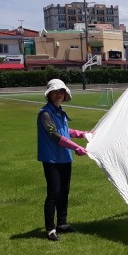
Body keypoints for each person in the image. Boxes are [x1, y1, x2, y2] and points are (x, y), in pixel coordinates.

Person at [37, 78, 91, 241]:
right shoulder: (45, 113)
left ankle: (62, 223)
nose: (58, 95)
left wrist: (82, 133)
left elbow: (66, 130)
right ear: (49, 94)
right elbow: (55, 135)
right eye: (55, 92)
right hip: (52, 159)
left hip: (65, 158)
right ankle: (50, 229)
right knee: (53, 192)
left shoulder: (60, 111)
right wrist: (76, 147)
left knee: (64, 191)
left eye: (61, 92)